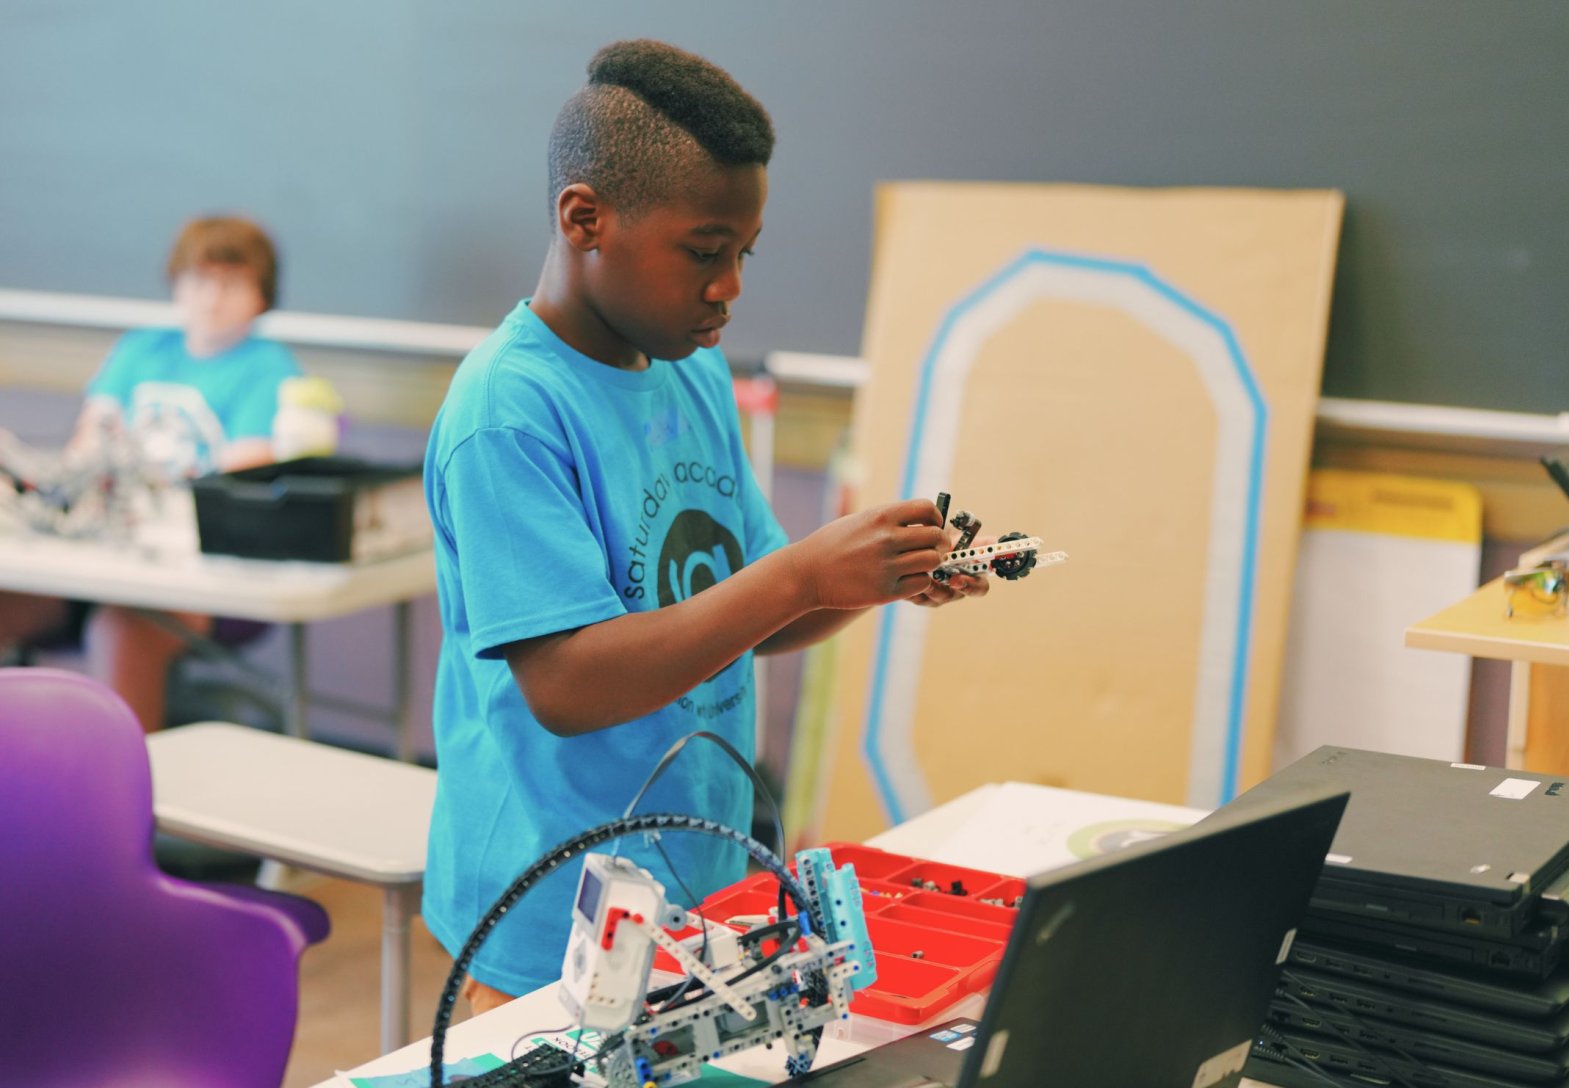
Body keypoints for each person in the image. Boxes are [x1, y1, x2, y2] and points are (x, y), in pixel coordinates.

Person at [423, 38, 988, 1017]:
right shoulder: (507, 410)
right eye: (704, 250)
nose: (728, 284)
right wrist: (804, 574)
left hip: (697, 880)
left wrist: (866, 578)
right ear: (583, 219)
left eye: (742, 253)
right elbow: (566, 682)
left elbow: (743, 605)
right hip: (549, 913)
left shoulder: (690, 367)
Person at [0, 214, 301, 730]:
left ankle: (118, 798)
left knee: (121, 627)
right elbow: (88, 446)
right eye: (199, 279)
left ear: (260, 294)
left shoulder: (268, 368)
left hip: (193, 582)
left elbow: (243, 473)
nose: (211, 298)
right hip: (101, 557)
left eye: (231, 283)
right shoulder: (141, 349)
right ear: (177, 283)